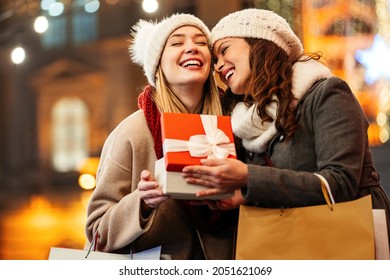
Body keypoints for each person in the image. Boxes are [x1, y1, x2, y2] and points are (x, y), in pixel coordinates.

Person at [182, 8, 390, 244]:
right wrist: (243, 196)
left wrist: (249, 177)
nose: (218, 66)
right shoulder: (242, 120)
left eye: (225, 50)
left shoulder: (327, 94)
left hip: (345, 243)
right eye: (216, 60)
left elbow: (340, 184)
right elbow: (281, 187)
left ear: (259, 41)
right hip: (288, 244)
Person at [84, 13, 237, 260]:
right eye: (177, 43)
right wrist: (142, 203)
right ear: (157, 65)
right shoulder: (132, 132)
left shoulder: (234, 123)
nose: (191, 48)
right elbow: (97, 232)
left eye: (200, 42)